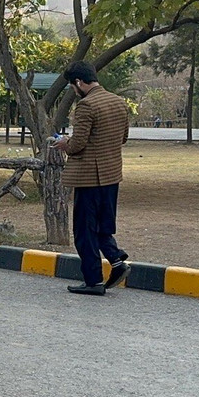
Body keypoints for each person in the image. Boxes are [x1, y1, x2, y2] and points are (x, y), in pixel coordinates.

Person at [53, 61, 131, 295]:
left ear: (79, 82)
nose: (74, 90)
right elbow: (123, 137)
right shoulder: (118, 102)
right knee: (102, 225)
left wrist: (64, 144)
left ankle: (93, 281)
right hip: (112, 174)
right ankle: (116, 261)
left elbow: (77, 144)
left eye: (72, 86)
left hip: (89, 177)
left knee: (84, 230)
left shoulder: (86, 105)